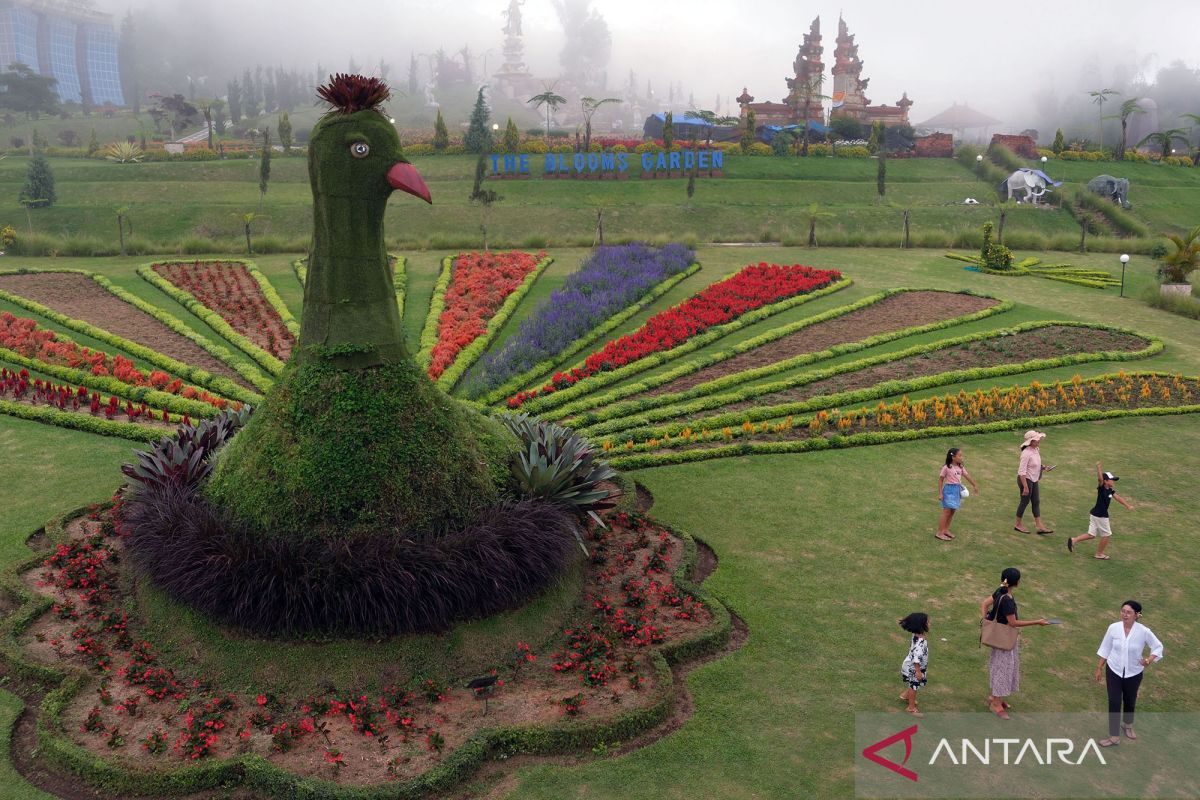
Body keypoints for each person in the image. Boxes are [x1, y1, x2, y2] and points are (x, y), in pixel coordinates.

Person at [980, 567, 1049, 719]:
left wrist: (987, 622)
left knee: (998, 667)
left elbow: (984, 604)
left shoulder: (999, 591)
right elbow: (1013, 623)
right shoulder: (1008, 601)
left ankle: (994, 697)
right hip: (1005, 641)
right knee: (1003, 670)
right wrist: (1037, 622)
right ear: (1016, 582)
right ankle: (995, 704)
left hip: (997, 638)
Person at [1095, 600, 1163, 746]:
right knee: (1114, 701)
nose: (1124, 614)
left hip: (1134, 673)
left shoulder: (1144, 631)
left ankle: (1127, 725)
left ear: (1137, 615)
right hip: (1113, 670)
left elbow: (1158, 647)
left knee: (1130, 700)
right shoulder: (1113, 628)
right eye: (1123, 611)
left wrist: (1149, 660)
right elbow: (1105, 648)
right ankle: (1114, 737)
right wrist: (1099, 668)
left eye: (1128, 612)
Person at [1069, 463, 1134, 560]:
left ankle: (1074, 540)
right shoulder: (1102, 488)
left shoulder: (1110, 490)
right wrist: (1099, 468)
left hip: (1095, 514)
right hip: (1101, 516)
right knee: (1107, 535)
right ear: (1106, 481)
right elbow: (1100, 479)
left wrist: (1127, 505)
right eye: (1112, 480)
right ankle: (1099, 553)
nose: (1113, 481)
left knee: (1091, 535)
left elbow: (1118, 497)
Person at [1014, 430, 1055, 534]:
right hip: (1025, 480)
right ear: (1030, 441)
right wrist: (1025, 487)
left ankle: (1039, 526)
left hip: (1033, 479)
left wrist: (1044, 468)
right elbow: (1022, 471)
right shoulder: (1026, 453)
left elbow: (1035, 465)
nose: (1039, 441)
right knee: (1024, 502)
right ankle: (1018, 525)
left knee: (1036, 501)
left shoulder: (1036, 449)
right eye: (1037, 439)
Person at [936, 447, 980, 541]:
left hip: (956, 491)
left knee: (952, 511)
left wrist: (974, 485)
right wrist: (940, 493)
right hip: (948, 490)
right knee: (946, 511)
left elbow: (967, 476)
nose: (962, 457)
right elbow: (940, 480)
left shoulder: (960, 467)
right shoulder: (946, 467)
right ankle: (939, 533)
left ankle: (945, 530)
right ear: (953, 457)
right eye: (960, 455)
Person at [897, 613, 930, 716]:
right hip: (914, 668)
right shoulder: (919, 643)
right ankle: (911, 708)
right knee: (914, 686)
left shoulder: (917, 636)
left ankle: (905, 696)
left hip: (909, 665)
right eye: (928, 622)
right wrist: (918, 671)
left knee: (913, 685)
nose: (930, 623)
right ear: (921, 625)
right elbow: (916, 659)